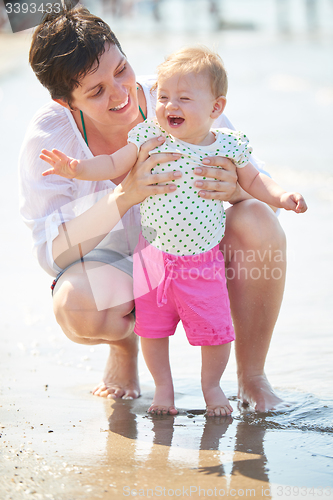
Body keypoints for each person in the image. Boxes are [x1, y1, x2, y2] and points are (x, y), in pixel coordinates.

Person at [20, 3, 286, 412]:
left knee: (259, 220)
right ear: (66, 102)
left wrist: (233, 186)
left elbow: (260, 190)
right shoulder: (49, 140)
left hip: (196, 255)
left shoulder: (179, 97)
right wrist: (125, 195)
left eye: (121, 70)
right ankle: (124, 348)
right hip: (123, 267)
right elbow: (53, 254)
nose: (121, 93)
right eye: (96, 91)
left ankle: (252, 376)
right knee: (75, 305)